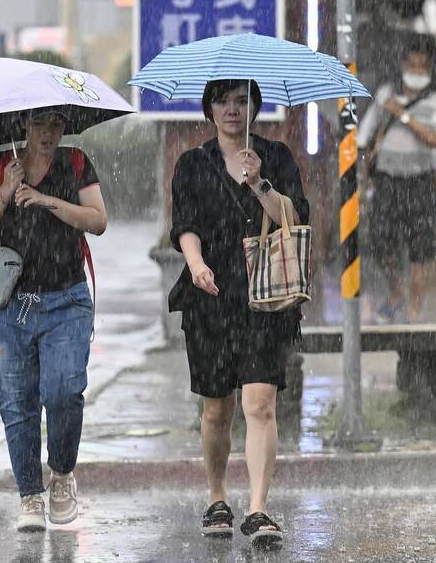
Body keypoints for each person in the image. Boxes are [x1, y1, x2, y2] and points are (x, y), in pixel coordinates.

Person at [168, 79, 309, 545]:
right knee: (216, 411)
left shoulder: (276, 157)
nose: (232, 110)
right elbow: (185, 224)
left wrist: (260, 183)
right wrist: (196, 265)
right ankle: (216, 495)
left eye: (242, 101)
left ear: (254, 107)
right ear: (209, 108)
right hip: (211, 297)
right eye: (223, 101)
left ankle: (259, 508)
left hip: (266, 300)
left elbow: (295, 216)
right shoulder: (192, 163)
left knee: (260, 405)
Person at [0, 108, 107, 532]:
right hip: (11, 304)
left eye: (56, 125)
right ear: (23, 126)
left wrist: (47, 200)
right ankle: (30, 495)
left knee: (63, 390)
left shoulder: (76, 162)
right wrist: (7, 191)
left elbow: (97, 220)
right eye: (39, 124)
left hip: (65, 299)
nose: (48, 133)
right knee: (17, 404)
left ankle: (62, 475)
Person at [358, 38, 436, 323]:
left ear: (430, 69)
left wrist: (405, 116)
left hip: (421, 180)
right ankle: (397, 292)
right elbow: (364, 135)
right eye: (411, 64)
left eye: (422, 66)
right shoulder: (386, 93)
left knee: (420, 247)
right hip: (387, 180)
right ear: (402, 65)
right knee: (380, 239)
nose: (416, 70)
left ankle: (415, 306)